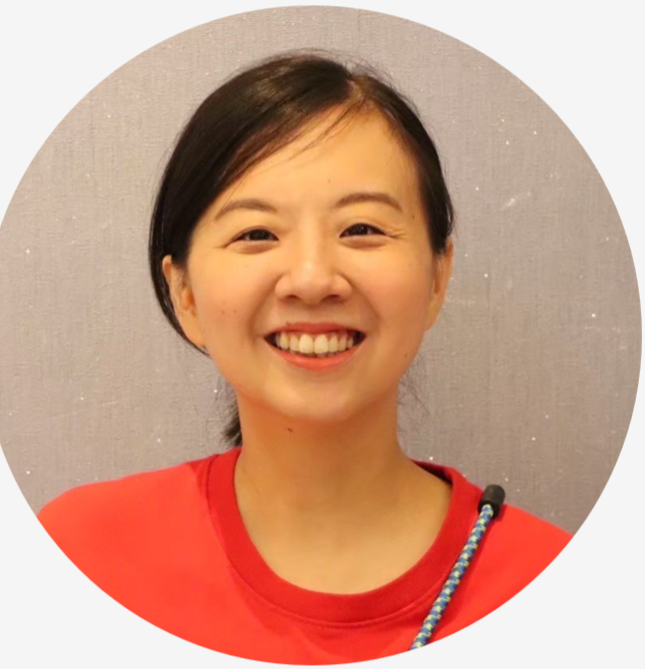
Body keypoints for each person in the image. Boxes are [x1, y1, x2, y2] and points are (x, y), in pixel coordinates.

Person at [38, 50, 572, 664]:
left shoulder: (559, 590)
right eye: (256, 234)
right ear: (185, 294)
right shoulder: (78, 557)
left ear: (437, 277)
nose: (313, 279)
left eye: (362, 229)